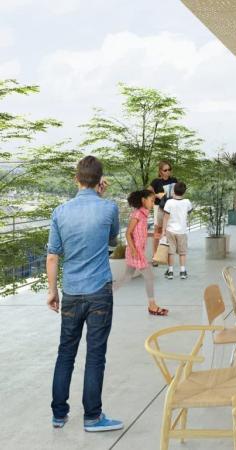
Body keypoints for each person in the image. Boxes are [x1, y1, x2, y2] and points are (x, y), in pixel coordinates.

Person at [47, 156, 124, 431]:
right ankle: (92, 417)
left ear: (76, 178)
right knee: (95, 354)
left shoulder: (60, 211)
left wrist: (52, 291)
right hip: (99, 291)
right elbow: (112, 240)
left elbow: (53, 256)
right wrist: (102, 198)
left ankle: (59, 415)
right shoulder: (109, 208)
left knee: (65, 352)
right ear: (100, 180)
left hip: (71, 291)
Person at [114, 190, 167, 315]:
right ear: (143, 200)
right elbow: (128, 233)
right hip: (135, 252)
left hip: (137, 251)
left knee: (127, 278)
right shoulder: (137, 214)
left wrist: (155, 234)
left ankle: (105, 293)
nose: (152, 202)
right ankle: (152, 306)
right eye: (151, 200)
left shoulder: (144, 214)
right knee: (149, 277)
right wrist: (133, 250)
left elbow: (140, 233)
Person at [161, 182, 193, 280]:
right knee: (182, 252)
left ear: (173, 190)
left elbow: (165, 218)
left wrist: (163, 231)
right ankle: (182, 271)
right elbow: (189, 211)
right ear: (184, 192)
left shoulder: (169, 202)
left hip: (170, 230)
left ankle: (170, 272)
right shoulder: (187, 202)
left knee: (171, 252)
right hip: (182, 231)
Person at [149, 161, 177, 266]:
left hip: (171, 208)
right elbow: (148, 192)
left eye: (169, 169)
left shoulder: (174, 180)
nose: (168, 172)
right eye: (165, 170)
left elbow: (178, 192)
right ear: (160, 171)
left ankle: (167, 256)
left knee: (169, 231)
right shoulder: (156, 182)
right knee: (157, 231)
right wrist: (157, 195)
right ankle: (155, 257)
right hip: (159, 208)